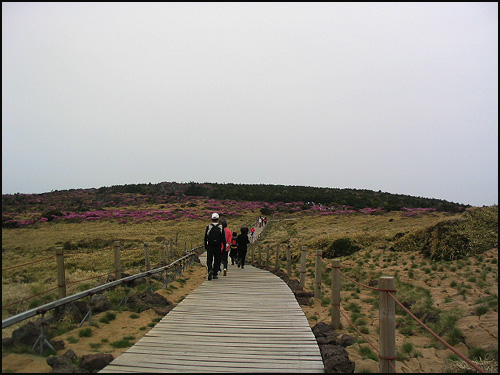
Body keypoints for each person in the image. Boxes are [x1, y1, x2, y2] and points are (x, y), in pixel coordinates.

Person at [204, 213, 226, 280]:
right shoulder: (221, 227)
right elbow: (223, 238)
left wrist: (206, 246)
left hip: (210, 245)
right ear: (218, 219)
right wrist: (224, 246)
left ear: (212, 219)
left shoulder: (209, 226)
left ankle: (210, 269)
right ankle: (215, 273)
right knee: (217, 259)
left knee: (209, 259)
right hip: (218, 246)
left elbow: (205, 237)